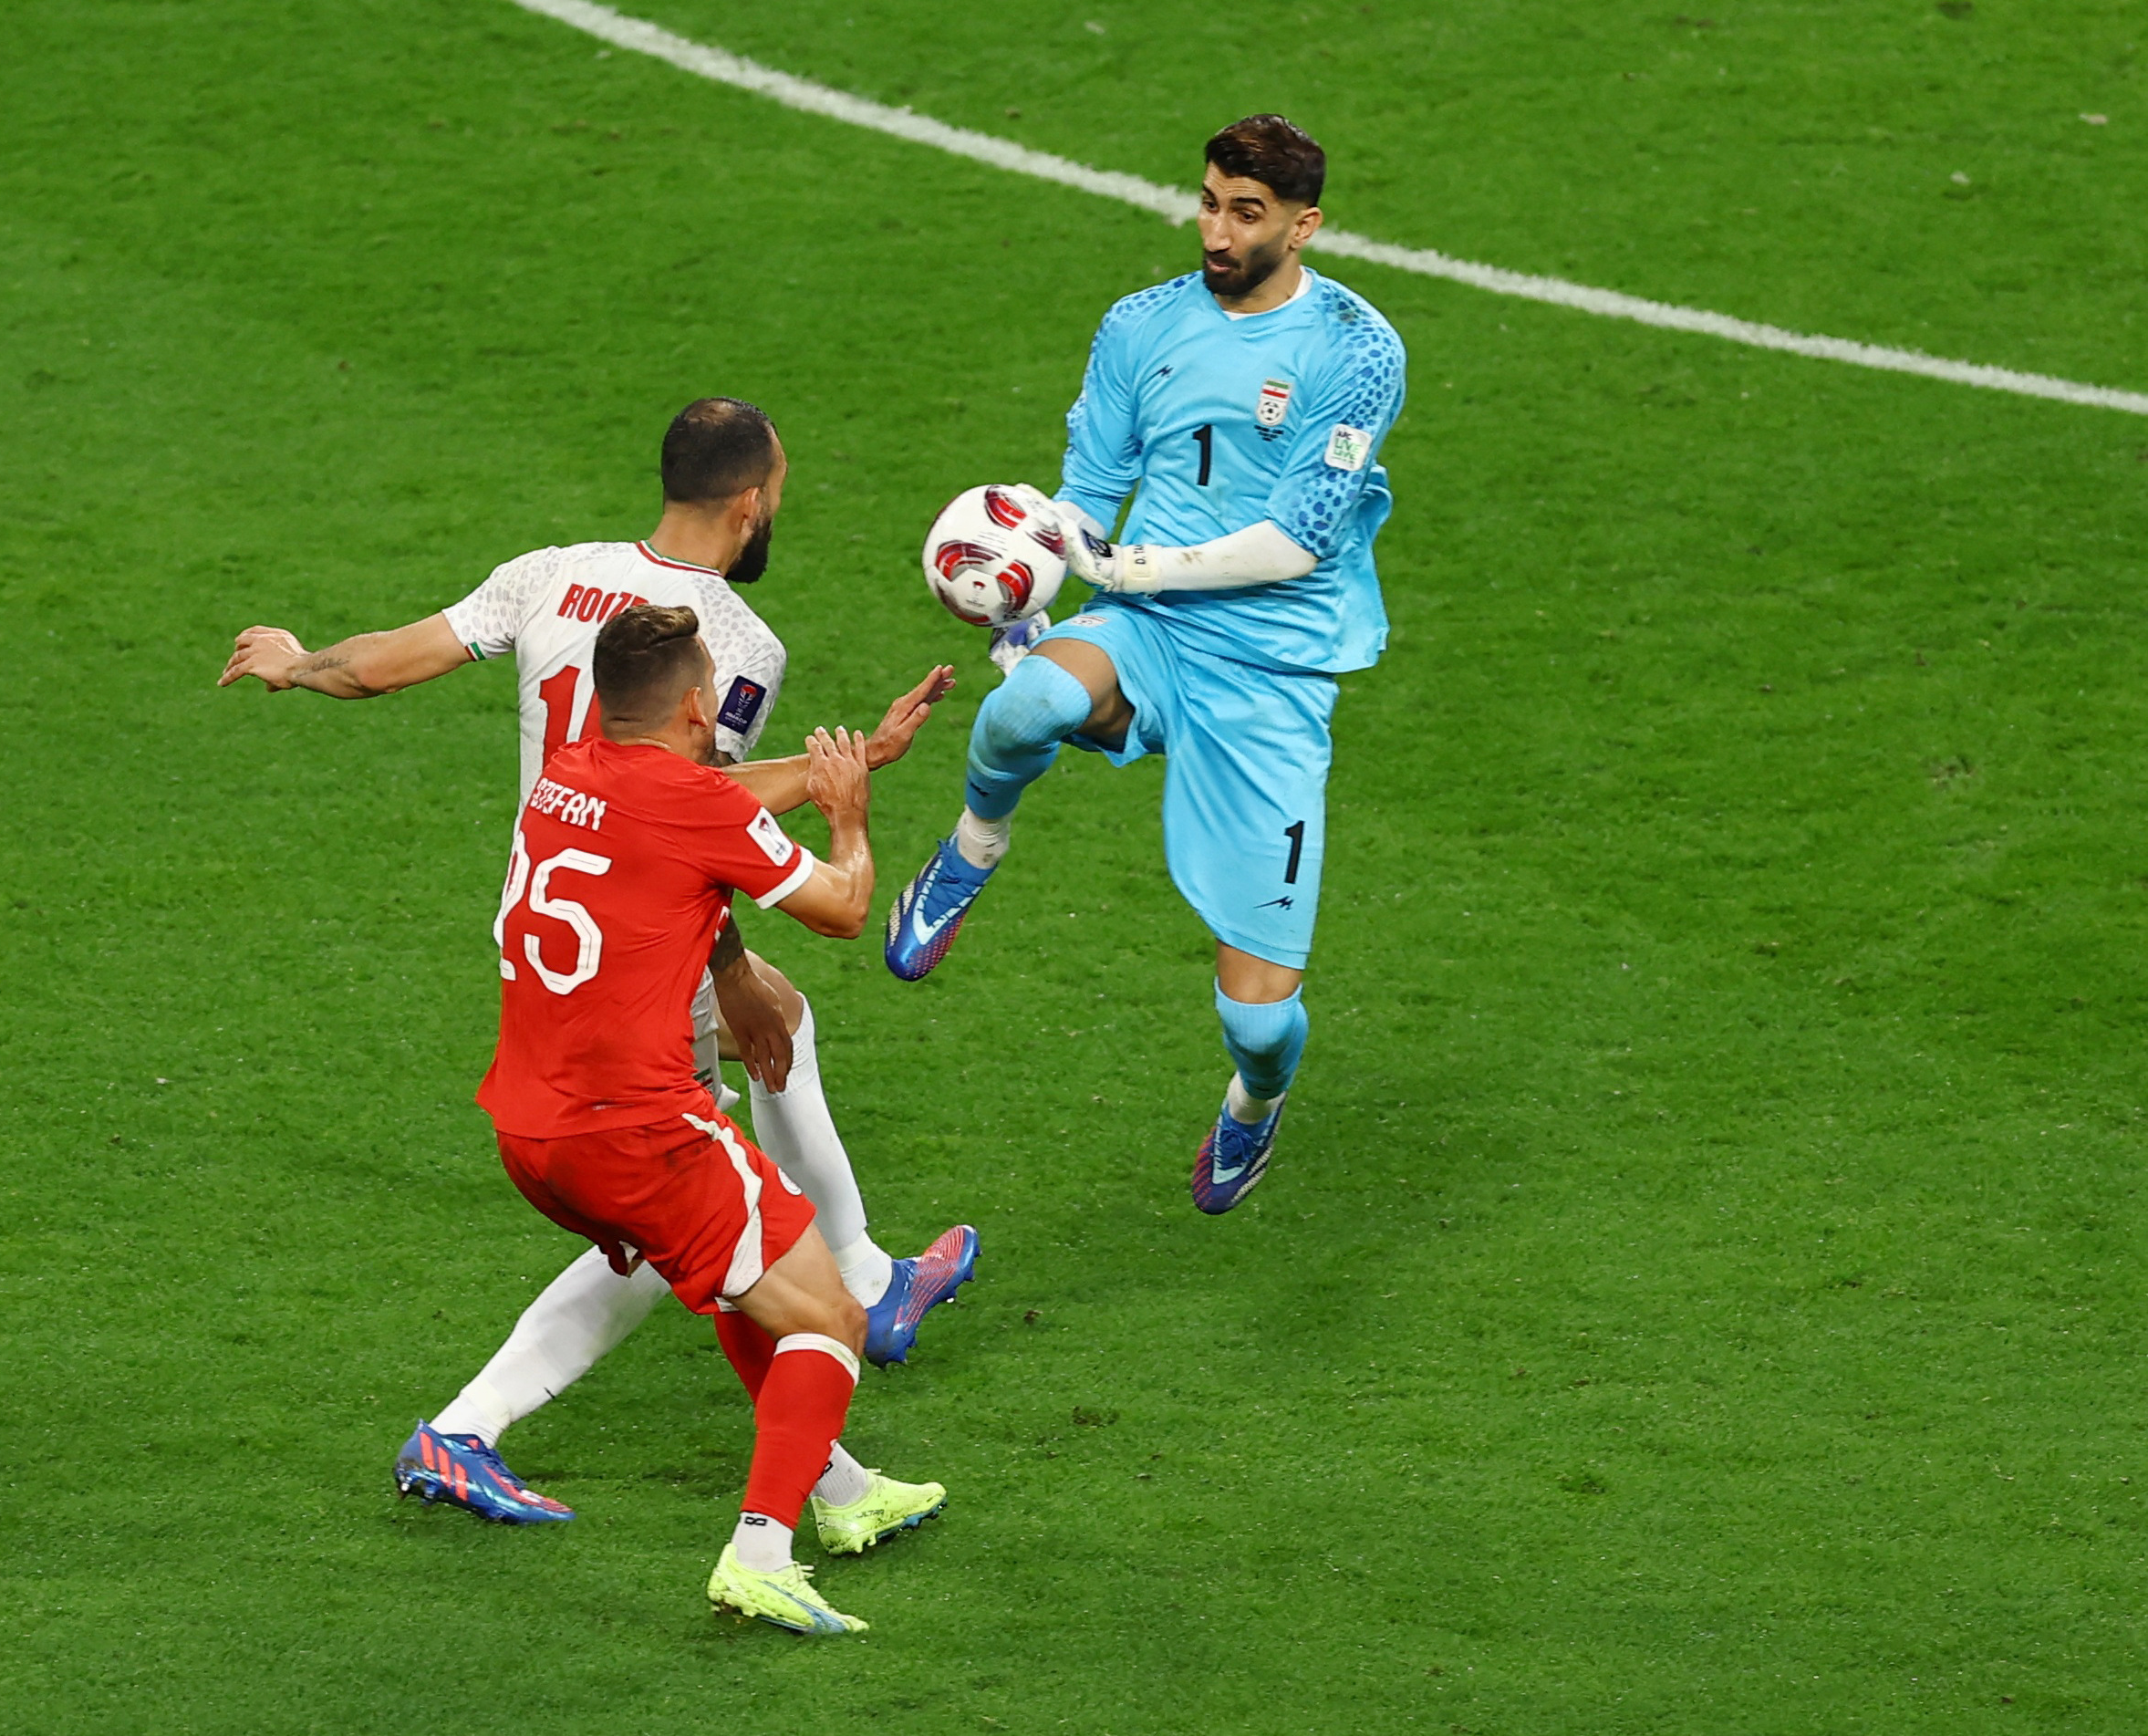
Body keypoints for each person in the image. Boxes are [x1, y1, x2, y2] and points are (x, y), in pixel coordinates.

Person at [219, 399, 978, 1525]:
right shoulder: (735, 641)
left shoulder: (548, 572)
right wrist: (730, 968)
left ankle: (855, 1315)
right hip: (640, 953)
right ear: (753, 502)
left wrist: (295, 665)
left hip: (542, 927)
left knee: (698, 1174)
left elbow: (386, 667)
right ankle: (482, 1422)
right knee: (670, 1209)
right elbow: (690, 812)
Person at [884, 115, 1407, 1217]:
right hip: (1153, 630)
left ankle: (1253, 1113)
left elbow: (1301, 533)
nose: (1217, 228)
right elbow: (1084, 490)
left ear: (1303, 225)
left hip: (1272, 671)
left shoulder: (1357, 350)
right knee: (1024, 706)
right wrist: (1030, 577)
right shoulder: (1138, 325)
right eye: (1210, 201)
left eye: (1247, 212)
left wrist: (1134, 568)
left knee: (1258, 1023)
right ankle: (971, 851)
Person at [484, 603, 942, 1633]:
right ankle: (759, 1552)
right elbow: (842, 905)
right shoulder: (690, 804)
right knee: (833, 1318)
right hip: (637, 1131)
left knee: (749, 1281)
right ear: (697, 704)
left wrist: (853, 751)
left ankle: (843, 1491)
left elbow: (706, 800)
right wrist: (850, 812)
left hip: (531, 1132)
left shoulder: (565, 773)